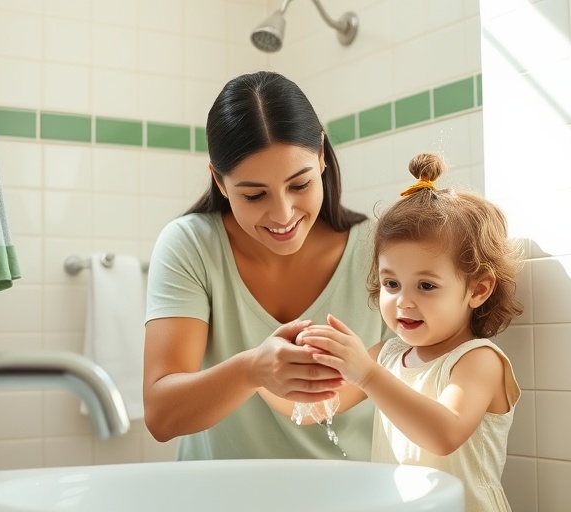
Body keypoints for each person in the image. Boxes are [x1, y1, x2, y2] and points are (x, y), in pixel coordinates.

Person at [142, 71, 389, 461]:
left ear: (321, 156)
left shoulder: (380, 248)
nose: (283, 214)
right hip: (219, 498)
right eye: (255, 195)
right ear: (220, 183)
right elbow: (161, 415)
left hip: (353, 496)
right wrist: (251, 370)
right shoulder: (190, 246)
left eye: (299, 185)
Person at [259, 153, 523, 511]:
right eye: (392, 283)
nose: (403, 302)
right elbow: (315, 409)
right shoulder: (386, 355)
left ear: (478, 290)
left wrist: (367, 375)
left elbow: (444, 435)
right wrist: (256, 375)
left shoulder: (478, 361)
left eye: (426, 286)